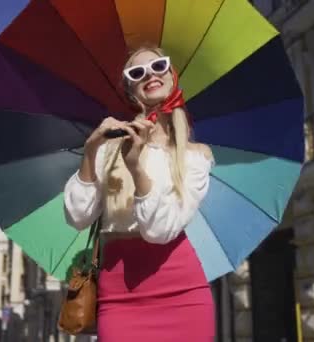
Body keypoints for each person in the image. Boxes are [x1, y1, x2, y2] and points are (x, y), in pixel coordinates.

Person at [63, 46, 215, 341]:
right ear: (131, 91)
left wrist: (136, 168)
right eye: (137, 72)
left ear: (172, 75)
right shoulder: (109, 147)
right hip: (119, 297)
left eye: (158, 66)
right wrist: (90, 151)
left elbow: (161, 230)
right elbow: (77, 216)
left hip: (183, 294)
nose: (150, 75)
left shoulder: (195, 156)